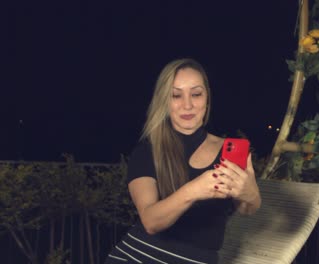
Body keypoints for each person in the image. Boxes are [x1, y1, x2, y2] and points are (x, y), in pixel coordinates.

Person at [105, 58, 261, 264]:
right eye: (176, 95)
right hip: (136, 256)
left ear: (207, 99)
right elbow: (150, 221)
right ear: (164, 102)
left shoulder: (227, 150)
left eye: (196, 94)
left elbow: (246, 208)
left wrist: (251, 192)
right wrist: (194, 190)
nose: (187, 105)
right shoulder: (148, 150)